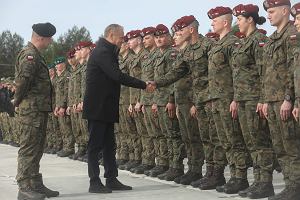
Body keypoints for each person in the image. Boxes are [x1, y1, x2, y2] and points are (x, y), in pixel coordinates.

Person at [82, 24, 152, 193]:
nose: (123, 41)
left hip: (105, 106)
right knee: (95, 145)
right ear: (112, 35)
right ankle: (94, 181)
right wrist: (143, 84)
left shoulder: (107, 51)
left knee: (109, 145)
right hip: (98, 107)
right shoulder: (102, 52)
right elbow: (117, 75)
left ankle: (111, 178)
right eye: (121, 37)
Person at [231, 4, 275, 198]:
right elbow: (238, 74)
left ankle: (265, 183)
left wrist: (262, 98)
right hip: (242, 100)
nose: (237, 23)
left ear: (250, 19)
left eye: (239, 19)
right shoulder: (243, 42)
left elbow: (264, 72)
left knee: (260, 142)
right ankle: (257, 181)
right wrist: (235, 98)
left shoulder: (258, 41)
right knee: (250, 142)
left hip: (254, 100)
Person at [13, 22, 59, 200]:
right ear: (41, 37)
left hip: (38, 110)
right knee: (29, 149)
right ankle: (24, 187)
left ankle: (35, 183)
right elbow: (23, 82)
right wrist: (16, 102)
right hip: (31, 111)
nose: (51, 41)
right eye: (49, 38)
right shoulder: (30, 55)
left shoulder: (36, 55)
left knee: (37, 148)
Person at [262, 0, 300, 199]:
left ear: (285, 11)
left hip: (285, 101)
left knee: (291, 146)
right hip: (272, 100)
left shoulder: (292, 35)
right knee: (280, 147)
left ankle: (296, 187)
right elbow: (266, 73)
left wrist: (289, 98)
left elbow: (294, 69)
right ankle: (289, 186)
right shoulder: (272, 38)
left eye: (272, 11)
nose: (268, 15)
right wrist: (265, 100)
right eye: (267, 12)